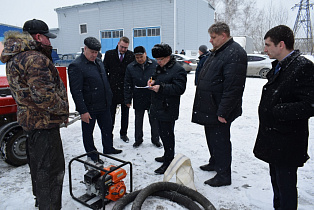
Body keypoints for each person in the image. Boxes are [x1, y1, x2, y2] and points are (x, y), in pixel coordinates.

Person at [0, 19, 69, 209]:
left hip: (31, 124)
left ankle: (42, 201)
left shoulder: (16, 56)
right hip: (44, 125)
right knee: (52, 172)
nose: (50, 42)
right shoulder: (35, 59)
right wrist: (64, 109)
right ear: (38, 37)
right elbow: (45, 97)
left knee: (39, 170)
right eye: (47, 38)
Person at [253, 25, 314, 210]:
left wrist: (278, 111)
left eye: (268, 45)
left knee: (286, 186)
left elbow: (310, 104)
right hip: (274, 138)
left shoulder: (302, 67)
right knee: (277, 184)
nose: (265, 49)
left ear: (281, 45)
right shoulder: (280, 66)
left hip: (288, 140)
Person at [191, 22, 247, 187]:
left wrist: (223, 112)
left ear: (223, 35)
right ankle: (215, 162)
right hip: (210, 107)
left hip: (219, 109)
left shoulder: (234, 53)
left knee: (221, 141)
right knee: (212, 138)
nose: (210, 41)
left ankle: (223, 174)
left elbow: (233, 88)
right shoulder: (219, 51)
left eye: (213, 37)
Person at [68, 37, 122, 163]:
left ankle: (108, 148)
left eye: (96, 52)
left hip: (104, 104)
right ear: (85, 48)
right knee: (88, 134)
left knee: (107, 129)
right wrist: (83, 111)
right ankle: (92, 155)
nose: (94, 55)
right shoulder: (76, 66)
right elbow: (76, 91)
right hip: (89, 108)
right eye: (92, 52)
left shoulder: (98, 62)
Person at [148, 43, 187, 174]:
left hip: (168, 108)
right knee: (162, 134)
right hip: (158, 106)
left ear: (168, 57)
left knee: (168, 135)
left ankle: (169, 161)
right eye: (156, 60)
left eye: (160, 59)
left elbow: (179, 88)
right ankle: (166, 155)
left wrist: (162, 87)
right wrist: (152, 81)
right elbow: (156, 78)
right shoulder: (160, 67)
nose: (158, 62)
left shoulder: (178, 70)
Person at [124, 46, 161, 148]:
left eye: (141, 56)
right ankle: (138, 139)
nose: (139, 59)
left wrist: (155, 84)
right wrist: (127, 99)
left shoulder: (154, 64)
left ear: (145, 53)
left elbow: (160, 78)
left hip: (152, 97)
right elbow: (127, 84)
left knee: (154, 120)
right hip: (138, 96)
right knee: (138, 120)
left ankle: (156, 139)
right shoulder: (131, 67)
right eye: (137, 57)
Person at [103, 36, 135, 143]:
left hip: (125, 90)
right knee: (110, 114)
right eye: (121, 47)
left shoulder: (131, 55)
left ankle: (123, 133)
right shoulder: (109, 54)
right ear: (118, 44)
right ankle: (109, 132)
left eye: (125, 48)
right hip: (112, 90)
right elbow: (104, 71)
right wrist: (107, 85)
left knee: (125, 114)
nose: (123, 50)